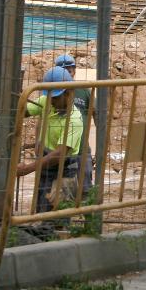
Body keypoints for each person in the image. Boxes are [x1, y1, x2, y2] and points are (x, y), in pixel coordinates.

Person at [17, 67, 84, 213]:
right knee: (41, 209)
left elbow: (59, 155)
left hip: (64, 170)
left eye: (55, 97)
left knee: (57, 215)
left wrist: (28, 168)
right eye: (49, 96)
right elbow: (24, 111)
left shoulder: (74, 120)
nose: (51, 101)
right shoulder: (47, 101)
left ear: (68, 93)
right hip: (46, 166)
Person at [54, 53, 94, 192]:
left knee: (86, 186)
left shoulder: (84, 91)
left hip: (82, 148)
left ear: (74, 71)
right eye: (64, 71)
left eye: (70, 71)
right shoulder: (53, 94)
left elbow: (96, 114)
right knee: (61, 189)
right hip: (59, 150)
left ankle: (88, 211)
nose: (68, 74)